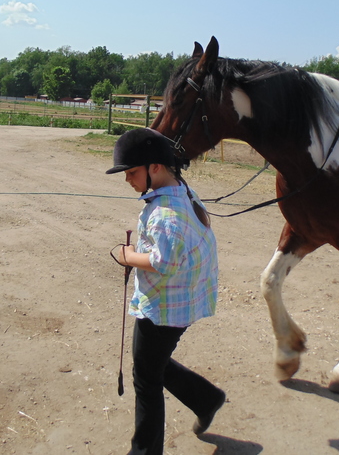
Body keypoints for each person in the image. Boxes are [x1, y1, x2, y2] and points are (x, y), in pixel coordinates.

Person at [106, 128, 226, 455]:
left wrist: (128, 256)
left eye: (132, 172)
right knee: (150, 364)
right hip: (180, 299)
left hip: (164, 307)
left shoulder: (165, 215)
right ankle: (206, 399)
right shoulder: (180, 191)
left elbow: (165, 262)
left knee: (146, 378)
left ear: (155, 167)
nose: (127, 179)